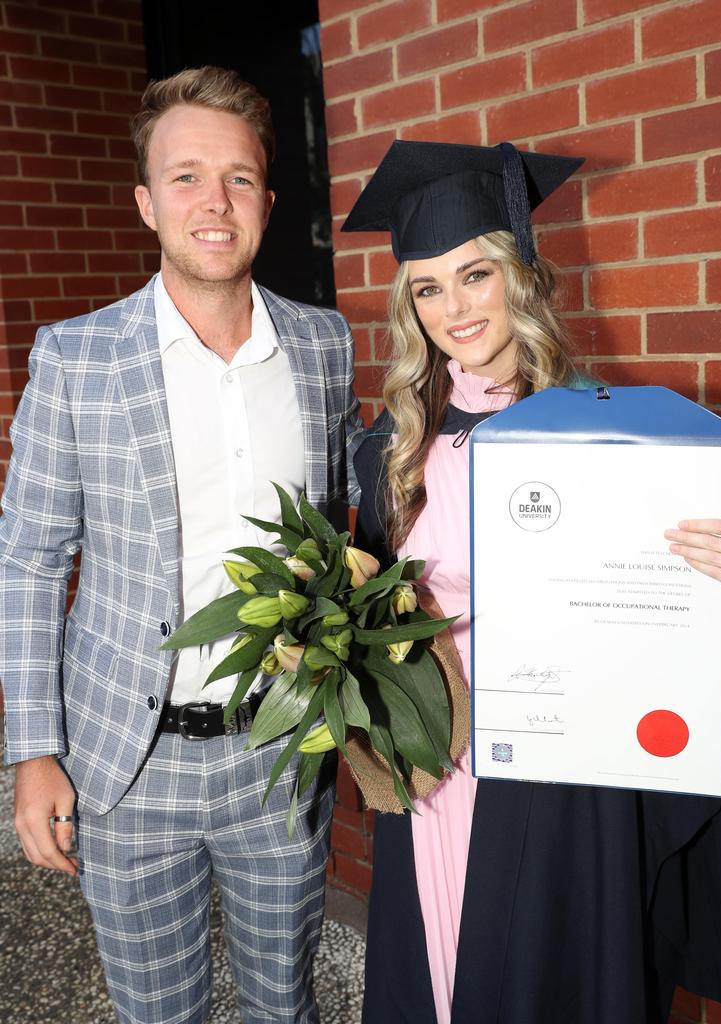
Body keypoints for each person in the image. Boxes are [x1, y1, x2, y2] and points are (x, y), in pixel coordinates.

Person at [342, 139, 721, 1024]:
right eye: (427, 287)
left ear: (519, 275)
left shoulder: (611, 441)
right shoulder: (389, 449)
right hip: (434, 769)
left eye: (475, 275)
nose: (454, 308)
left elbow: (665, 623)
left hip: (562, 778)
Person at [1, 66, 362, 1024]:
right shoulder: (75, 358)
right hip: (126, 764)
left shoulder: (324, 347)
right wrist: (33, 751)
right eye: (187, 177)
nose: (215, 201)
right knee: (158, 1013)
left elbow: (363, 515)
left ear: (269, 202)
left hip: (280, 750)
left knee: (285, 1005)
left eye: (239, 178)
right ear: (147, 204)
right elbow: (29, 561)